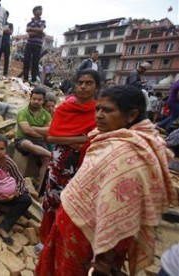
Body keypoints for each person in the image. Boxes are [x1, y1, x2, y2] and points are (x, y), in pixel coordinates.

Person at [36, 85, 178, 276]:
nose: (99, 115)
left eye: (108, 110)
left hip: (90, 243)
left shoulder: (133, 154)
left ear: (131, 115)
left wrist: (105, 259)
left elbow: (123, 212)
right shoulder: (109, 140)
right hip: (72, 226)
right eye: (98, 109)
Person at [39, 69, 99, 243]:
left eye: (89, 83)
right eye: (80, 82)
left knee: (74, 205)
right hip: (59, 166)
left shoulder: (99, 111)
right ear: (74, 85)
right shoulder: (65, 108)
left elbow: (97, 137)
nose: (83, 86)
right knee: (53, 201)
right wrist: (79, 138)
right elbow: (51, 136)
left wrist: (79, 140)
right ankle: (46, 239)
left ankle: (63, 242)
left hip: (85, 167)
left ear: (96, 87)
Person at [15, 87, 51, 187]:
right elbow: (26, 130)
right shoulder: (22, 112)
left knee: (46, 161)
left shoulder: (46, 114)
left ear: (43, 101)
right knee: (27, 144)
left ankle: (40, 188)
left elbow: (49, 130)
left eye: (39, 100)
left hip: (40, 142)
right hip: (23, 139)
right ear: (30, 99)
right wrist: (42, 132)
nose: (36, 101)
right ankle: (50, 154)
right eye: (34, 99)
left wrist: (33, 128)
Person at [22, 6, 45, 84]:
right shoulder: (29, 23)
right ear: (34, 11)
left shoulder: (43, 22)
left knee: (35, 62)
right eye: (38, 10)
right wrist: (39, 32)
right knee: (26, 61)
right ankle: (25, 78)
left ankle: (33, 79)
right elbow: (30, 33)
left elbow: (41, 30)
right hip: (29, 44)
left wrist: (32, 29)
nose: (40, 11)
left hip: (38, 45)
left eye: (41, 10)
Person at [0, 11, 13, 77]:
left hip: (7, 44)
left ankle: (5, 73)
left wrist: (2, 30)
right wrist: (5, 30)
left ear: (8, 16)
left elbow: (11, 32)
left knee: (6, 59)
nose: (5, 16)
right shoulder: (0, 24)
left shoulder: (10, 24)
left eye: (6, 15)